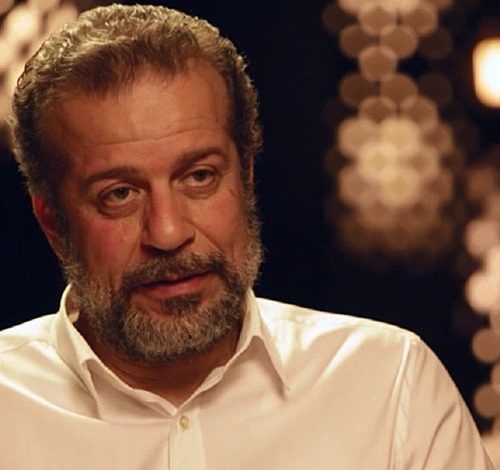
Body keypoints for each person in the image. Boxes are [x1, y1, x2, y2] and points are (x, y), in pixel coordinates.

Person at [0, 4, 494, 469]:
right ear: (53, 223)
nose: (168, 233)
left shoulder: (391, 387)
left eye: (199, 177)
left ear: (247, 178)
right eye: (120, 194)